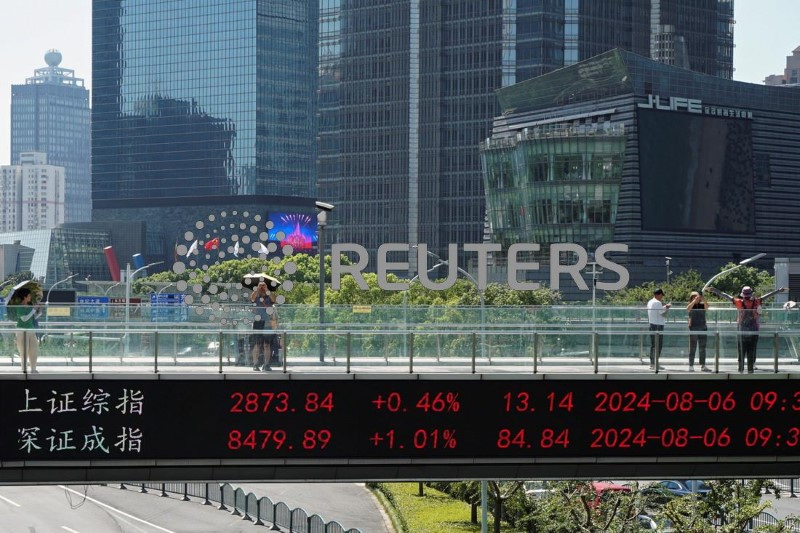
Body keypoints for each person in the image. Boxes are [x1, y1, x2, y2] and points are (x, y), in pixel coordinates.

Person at [705, 284, 787, 373]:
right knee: (752, 349)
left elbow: (725, 295)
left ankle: (741, 370)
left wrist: (714, 290)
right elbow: (768, 295)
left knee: (741, 350)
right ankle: (750, 370)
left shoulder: (738, 302)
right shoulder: (757, 301)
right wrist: (779, 290)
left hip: (741, 329)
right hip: (754, 329)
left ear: (742, 295)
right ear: (751, 294)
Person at [250, 281, 278, 371]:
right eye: (261, 285)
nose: (262, 287)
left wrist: (267, 289)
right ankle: (255, 364)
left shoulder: (269, 296)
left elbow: (274, 300)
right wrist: (257, 289)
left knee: (267, 344)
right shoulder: (257, 296)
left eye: (263, 285)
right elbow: (252, 298)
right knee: (257, 344)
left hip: (267, 322)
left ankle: (266, 364)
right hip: (258, 321)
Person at [13, 288, 40, 373]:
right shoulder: (19, 307)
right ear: (25, 297)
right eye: (29, 295)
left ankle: (33, 369)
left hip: (31, 330)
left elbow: (34, 317)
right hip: (21, 331)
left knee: (34, 349)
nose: (30, 297)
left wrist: (39, 310)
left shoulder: (30, 306)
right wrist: (33, 310)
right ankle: (24, 369)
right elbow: (24, 319)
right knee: (24, 351)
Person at [647, 288, 671, 370]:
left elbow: (657, 311)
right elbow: (663, 314)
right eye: (661, 295)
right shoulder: (658, 303)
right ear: (658, 294)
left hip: (651, 324)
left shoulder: (650, 302)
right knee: (658, 345)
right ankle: (655, 363)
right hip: (658, 325)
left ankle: (652, 363)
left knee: (653, 345)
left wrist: (664, 306)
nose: (662, 297)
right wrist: (667, 309)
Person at [687, 291, 709, 372]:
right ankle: (691, 365)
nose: (696, 298)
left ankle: (703, 365)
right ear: (691, 297)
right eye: (694, 296)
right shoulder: (691, 305)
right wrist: (694, 301)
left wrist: (703, 300)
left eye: (697, 296)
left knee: (702, 347)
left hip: (703, 327)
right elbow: (688, 309)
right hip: (693, 328)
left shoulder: (702, 304)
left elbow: (707, 307)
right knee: (692, 347)